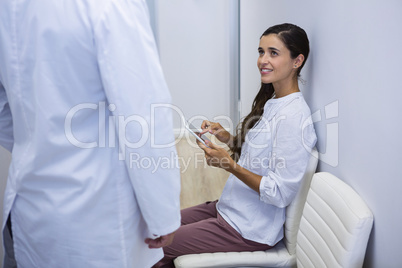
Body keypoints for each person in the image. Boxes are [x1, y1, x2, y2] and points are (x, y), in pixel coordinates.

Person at [0, 0, 181, 267]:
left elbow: (4, 110)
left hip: (29, 207)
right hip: (97, 220)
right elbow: (144, 115)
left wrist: (40, 144)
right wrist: (163, 215)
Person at [154, 23, 317, 267]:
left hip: (247, 228)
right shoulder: (274, 101)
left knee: (156, 243)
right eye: (261, 52)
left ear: (297, 61)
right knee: (157, 226)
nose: (263, 60)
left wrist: (230, 165)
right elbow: (260, 155)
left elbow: (279, 193)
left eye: (274, 53)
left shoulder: (295, 118)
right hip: (228, 208)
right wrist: (228, 138)